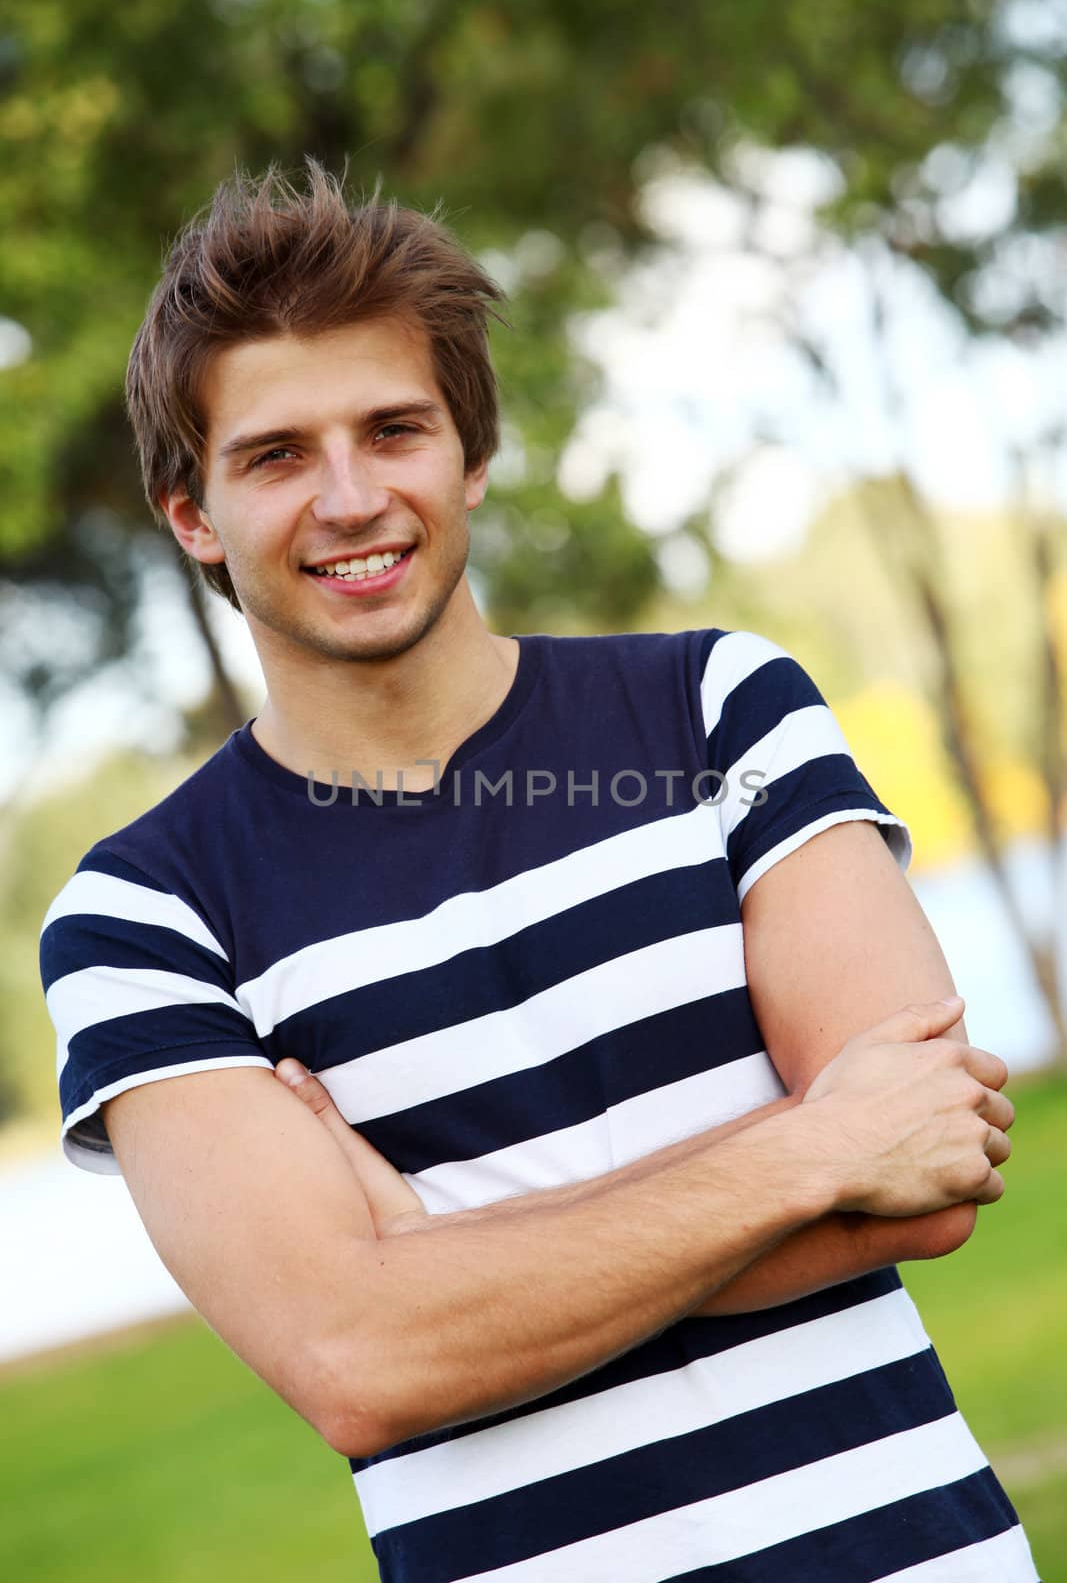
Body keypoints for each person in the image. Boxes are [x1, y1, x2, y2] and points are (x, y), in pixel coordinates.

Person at [39, 163, 1039, 1582]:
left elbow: (927, 1170)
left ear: (473, 455)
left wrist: (426, 1248)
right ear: (193, 514)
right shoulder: (145, 917)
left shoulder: (719, 712)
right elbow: (361, 1362)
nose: (348, 498)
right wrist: (816, 1144)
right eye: (274, 456)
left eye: (394, 429)